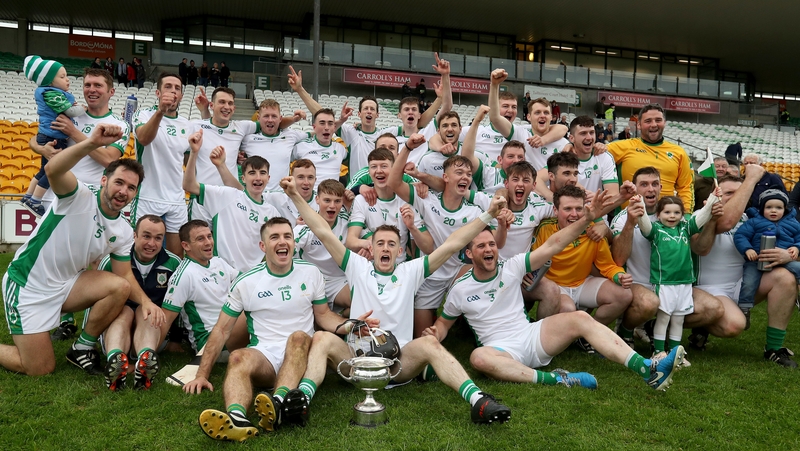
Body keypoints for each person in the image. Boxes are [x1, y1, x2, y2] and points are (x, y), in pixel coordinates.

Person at [282, 175, 513, 425]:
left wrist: (488, 214)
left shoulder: (410, 271)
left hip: (399, 363)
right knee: (322, 338)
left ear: (400, 251)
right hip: (356, 360)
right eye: (379, 243)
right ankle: (302, 400)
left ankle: (478, 400)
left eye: (391, 244)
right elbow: (322, 232)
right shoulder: (356, 266)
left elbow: (451, 245)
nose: (385, 248)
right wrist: (295, 194)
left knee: (430, 344)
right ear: (371, 248)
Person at [426, 188, 687, 391]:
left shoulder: (512, 266)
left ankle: (646, 368)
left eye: (491, 244)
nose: (489, 249)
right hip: (500, 350)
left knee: (581, 318)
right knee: (478, 359)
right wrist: (433, 334)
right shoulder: (460, 288)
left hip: (531, 335)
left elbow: (554, 243)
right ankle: (557, 379)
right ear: (469, 254)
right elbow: (444, 324)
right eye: (481, 246)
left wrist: (587, 217)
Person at [183, 217, 371, 441]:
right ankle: (236, 419)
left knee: (299, 337)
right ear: (263, 246)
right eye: (274, 237)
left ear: (293, 242)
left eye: (287, 236)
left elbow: (323, 315)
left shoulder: (311, 273)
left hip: (303, 354)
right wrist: (202, 374)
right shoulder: (246, 282)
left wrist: (350, 326)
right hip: (266, 357)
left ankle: (279, 403)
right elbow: (221, 330)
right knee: (237, 357)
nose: (282, 242)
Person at [0, 123, 164, 377]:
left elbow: (124, 276)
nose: (123, 191)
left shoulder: (122, 229)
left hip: (67, 285)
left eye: (131, 188)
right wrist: (91, 143)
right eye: (119, 182)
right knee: (39, 368)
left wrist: (146, 302)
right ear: (104, 180)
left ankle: (82, 347)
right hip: (28, 284)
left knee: (119, 287)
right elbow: (53, 168)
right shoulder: (77, 196)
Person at [28, 68, 130, 340]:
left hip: (93, 201)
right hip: (59, 194)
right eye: (87, 84)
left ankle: (78, 317)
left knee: (88, 262)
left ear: (111, 91)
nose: (92, 89)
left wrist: (74, 132)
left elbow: (110, 160)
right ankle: (50, 315)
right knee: (51, 258)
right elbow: (35, 137)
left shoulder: (118, 124)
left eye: (98, 85)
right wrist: (42, 150)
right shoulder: (70, 109)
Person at [388, 135, 510, 337]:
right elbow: (394, 182)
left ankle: (478, 320)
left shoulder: (473, 211)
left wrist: (503, 225)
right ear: (445, 177)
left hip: (459, 273)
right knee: (423, 338)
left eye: (469, 174)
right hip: (431, 273)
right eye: (459, 172)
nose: (465, 177)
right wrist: (408, 147)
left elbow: (497, 243)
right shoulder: (426, 200)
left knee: (482, 268)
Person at [692, 172, 798, 367]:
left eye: (740, 192)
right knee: (734, 325)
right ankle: (678, 325)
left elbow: (791, 240)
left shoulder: (753, 218)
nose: (736, 197)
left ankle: (773, 349)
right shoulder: (700, 215)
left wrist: (789, 255)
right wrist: (713, 219)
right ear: (717, 194)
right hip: (708, 289)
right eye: (729, 192)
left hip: (744, 284)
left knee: (785, 277)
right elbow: (700, 249)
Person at [533, 186, 633, 338]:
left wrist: (619, 275)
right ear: (555, 210)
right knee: (568, 309)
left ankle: (586, 335)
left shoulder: (592, 231)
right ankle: (542, 338)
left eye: (579, 209)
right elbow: (535, 262)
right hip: (556, 287)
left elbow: (607, 265)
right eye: (567, 209)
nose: (574, 214)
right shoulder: (545, 230)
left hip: (582, 283)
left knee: (624, 295)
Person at [95, 215, 182, 391]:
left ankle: (145, 359)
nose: (152, 243)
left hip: (152, 331)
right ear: (134, 235)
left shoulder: (173, 263)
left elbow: (180, 305)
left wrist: (176, 339)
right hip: (117, 331)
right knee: (125, 310)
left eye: (158, 238)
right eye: (146, 236)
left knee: (146, 310)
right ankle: (117, 359)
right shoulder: (112, 261)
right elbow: (96, 303)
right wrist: (90, 340)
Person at [637, 190, 720, 358]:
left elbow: (702, 216)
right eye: (667, 212)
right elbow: (644, 224)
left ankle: (675, 355)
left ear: (682, 215)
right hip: (664, 282)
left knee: (678, 320)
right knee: (663, 318)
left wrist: (713, 198)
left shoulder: (685, 229)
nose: (672, 216)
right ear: (658, 215)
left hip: (684, 282)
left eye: (677, 212)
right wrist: (640, 206)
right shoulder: (656, 231)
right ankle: (659, 352)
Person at [184, 130, 283, 272]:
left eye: (262, 173)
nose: (257, 178)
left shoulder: (272, 212)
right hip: (222, 272)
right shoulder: (227, 196)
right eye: (252, 173)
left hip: (252, 277)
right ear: (243, 178)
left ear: (268, 178)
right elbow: (189, 185)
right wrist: (194, 153)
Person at [161, 220, 249, 357]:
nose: (208, 242)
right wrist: (149, 354)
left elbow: (247, 282)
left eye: (209, 236)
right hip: (209, 343)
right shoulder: (184, 275)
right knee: (251, 309)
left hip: (231, 330)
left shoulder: (218, 261)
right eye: (200, 239)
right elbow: (166, 319)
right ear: (186, 246)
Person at [130, 72, 192, 257]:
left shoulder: (187, 124)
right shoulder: (143, 114)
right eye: (168, 87)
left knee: (176, 256)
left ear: (181, 95)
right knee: (140, 253)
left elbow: (188, 161)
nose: (173, 92)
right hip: (148, 196)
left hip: (176, 199)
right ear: (158, 93)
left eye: (177, 88)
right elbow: (144, 138)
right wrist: (161, 112)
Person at [20, 55, 85, 217]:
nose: (67, 80)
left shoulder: (50, 92)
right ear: (49, 81)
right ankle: (35, 200)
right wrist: (83, 109)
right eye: (62, 77)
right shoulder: (51, 93)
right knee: (54, 171)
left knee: (43, 170)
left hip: (46, 137)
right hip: (54, 138)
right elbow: (69, 111)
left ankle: (27, 196)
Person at [346, 148, 434, 264]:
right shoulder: (361, 200)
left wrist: (412, 227)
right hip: (371, 268)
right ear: (369, 172)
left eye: (384, 166)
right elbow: (350, 242)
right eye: (373, 167)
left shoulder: (407, 199)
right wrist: (371, 244)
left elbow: (428, 248)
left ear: (394, 170)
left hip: (400, 266)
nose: (378, 171)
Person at [607, 104, 695, 211]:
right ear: (639, 125)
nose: (654, 125)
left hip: (667, 220)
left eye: (658, 120)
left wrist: (686, 215)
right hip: (630, 220)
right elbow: (589, 155)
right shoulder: (623, 146)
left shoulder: (679, 152)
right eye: (648, 121)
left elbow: (686, 188)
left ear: (664, 123)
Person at [190, 87, 259, 221]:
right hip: (203, 197)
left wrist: (294, 118)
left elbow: (271, 123)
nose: (226, 107)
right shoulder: (196, 126)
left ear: (234, 107)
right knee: (200, 240)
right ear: (212, 105)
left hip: (230, 198)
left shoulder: (241, 127)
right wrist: (204, 111)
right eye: (222, 102)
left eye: (230, 103)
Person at [734, 190, 800, 323]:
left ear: (785, 209)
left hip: (784, 259)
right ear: (762, 208)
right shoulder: (754, 222)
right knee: (748, 283)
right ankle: (744, 308)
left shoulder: (793, 223)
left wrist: (796, 247)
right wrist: (748, 249)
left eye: (778, 207)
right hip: (757, 260)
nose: (773, 211)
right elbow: (740, 236)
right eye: (769, 207)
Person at [486, 69, 569, 170]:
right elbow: (495, 117)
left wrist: (543, 140)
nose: (542, 116)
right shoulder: (519, 133)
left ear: (551, 117)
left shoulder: (563, 143)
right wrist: (494, 85)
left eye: (546, 113)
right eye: (537, 112)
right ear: (528, 117)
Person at [293, 179, 353, 312]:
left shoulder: (347, 220)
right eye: (327, 200)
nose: (332, 206)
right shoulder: (305, 227)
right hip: (311, 281)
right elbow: (288, 248)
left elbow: (368, 236)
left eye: (337, 201)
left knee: (361, 301)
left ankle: (341, 317)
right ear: (317, 199)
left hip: (338, 280)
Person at [240, 99, 309, 191]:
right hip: (256, 195)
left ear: (280, 118)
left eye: (274, 116)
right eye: (266, 116)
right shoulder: (247, 139)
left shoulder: (291, 135)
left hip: (282, 196)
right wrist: (237, 155)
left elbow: (315, 133)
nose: (270, 120)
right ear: (258, 118)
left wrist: (295, 119)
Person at [291, 108, 348, 188]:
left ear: (334, 127)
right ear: (314, 127)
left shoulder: (341, 149)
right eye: (322, 123)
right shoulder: (301, 146)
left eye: (330, 123)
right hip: (307, 198)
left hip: (331, 198)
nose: (326, 127)